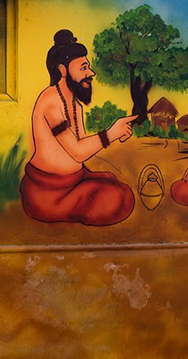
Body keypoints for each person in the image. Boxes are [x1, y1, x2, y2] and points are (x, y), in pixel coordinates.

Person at [20, 29, 137, 226]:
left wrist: (90, 174)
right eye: (83, 68)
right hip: (48, 192)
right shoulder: (50, 102)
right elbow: (77, 152)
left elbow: (81, 146)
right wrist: (111, 133)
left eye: (88, 67)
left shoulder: (75, 104)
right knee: (120, 198)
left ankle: (82, 193)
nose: (91, 73)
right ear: (63, 70)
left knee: (115, 186)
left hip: (73, 180)